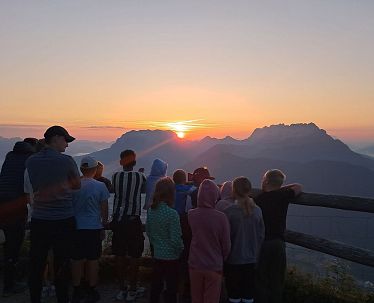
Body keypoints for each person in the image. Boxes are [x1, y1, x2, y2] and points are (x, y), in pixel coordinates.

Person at [24, 125, 81, 303]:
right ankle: (62, 299)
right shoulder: (67, 161)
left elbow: (34, 186)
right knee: (62, 263)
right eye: (66, 140)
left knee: (37, 263)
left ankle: (35, 298)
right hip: (63, 219)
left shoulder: (31, 161)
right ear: (55, 138)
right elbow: (77, 185)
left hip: (39, 219)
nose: (67, 145)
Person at [255, 169, 302, 303]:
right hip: (278, 243)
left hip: (262, 243)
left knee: (261, 279)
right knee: (277, 279)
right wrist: (281, 187)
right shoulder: (283, 195)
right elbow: (298, 186)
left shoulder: (259, 199)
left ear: (266, 181)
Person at [71, 156, 110, 303]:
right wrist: (104, 225)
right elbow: (104, 209)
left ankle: (77, 289)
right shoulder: (100, 186)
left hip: (76, 227)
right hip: (93, 227)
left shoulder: (74, 186)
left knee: (77, 259)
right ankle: (91, 289)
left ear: (81, 169)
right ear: (95, 170)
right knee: (93, 259)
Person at [0, 140, 36, 297]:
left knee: (7, 244)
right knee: (13, 246)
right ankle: (9, 285)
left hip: (2, 204)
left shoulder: (9, 156)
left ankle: (10, 279)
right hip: (15, 208)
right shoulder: (30, 160)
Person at [111, 150, 147, 301]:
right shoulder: (140, 177)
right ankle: (133, 288)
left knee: (119, 254)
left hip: (118, 222)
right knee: (135, 255)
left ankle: (122, 288)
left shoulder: (115, 176)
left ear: (121, 162)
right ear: (135, 162)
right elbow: (143, 190)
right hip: (133, 221)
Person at [188, 179, 231, 303]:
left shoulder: (191, 215)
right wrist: (223, 259)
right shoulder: (221, 217)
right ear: (215, 196)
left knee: (196, 298)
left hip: (195, 263)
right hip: (214, 265)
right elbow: (226, 245)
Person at [223, 177, 265, 303]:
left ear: (234, 191)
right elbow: (261, 235)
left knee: (233, 295)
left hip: (233, 259)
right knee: (248, 295)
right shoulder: (257, 211)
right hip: (251, 259)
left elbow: (225, 237)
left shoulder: (229, 212)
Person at [146, 177, 184, 303]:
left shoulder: (151, 211)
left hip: (157, 254)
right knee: (171, 288)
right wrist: (181, 250)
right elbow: (175, 239)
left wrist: (156, 245)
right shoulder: (172, 214)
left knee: (156, 285)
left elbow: (149, 232)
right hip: (172, 257)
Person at [172, 169, 195, 298]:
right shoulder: (189, 189)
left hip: (171, 224)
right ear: (184, 179)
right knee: (184, 256)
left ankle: (172, 286)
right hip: (184, 225)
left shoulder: (170, 190)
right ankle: (184, 287)